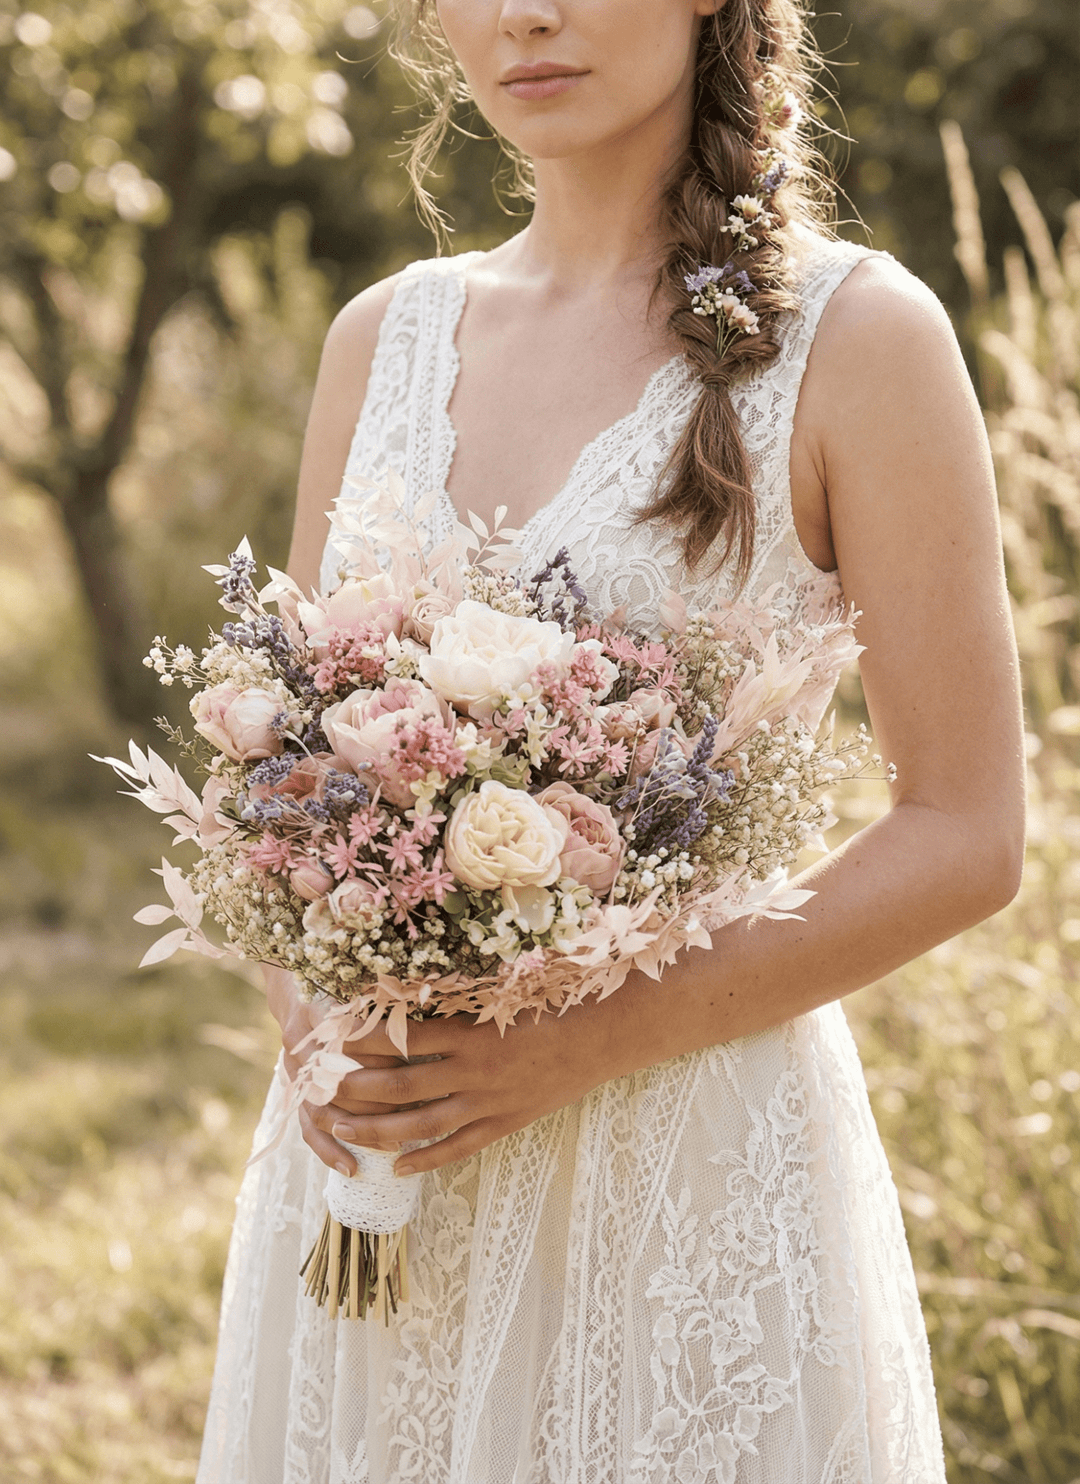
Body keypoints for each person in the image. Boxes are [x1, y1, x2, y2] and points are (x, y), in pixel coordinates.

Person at [196, 0, 1025, 1479]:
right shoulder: (380, 340)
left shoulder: (862, 340)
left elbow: (968, 831)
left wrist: (577, 1044)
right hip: (384, 1170)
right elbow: (284, 775)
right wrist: (319, 1026)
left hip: (683, 1172)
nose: (528, 13)